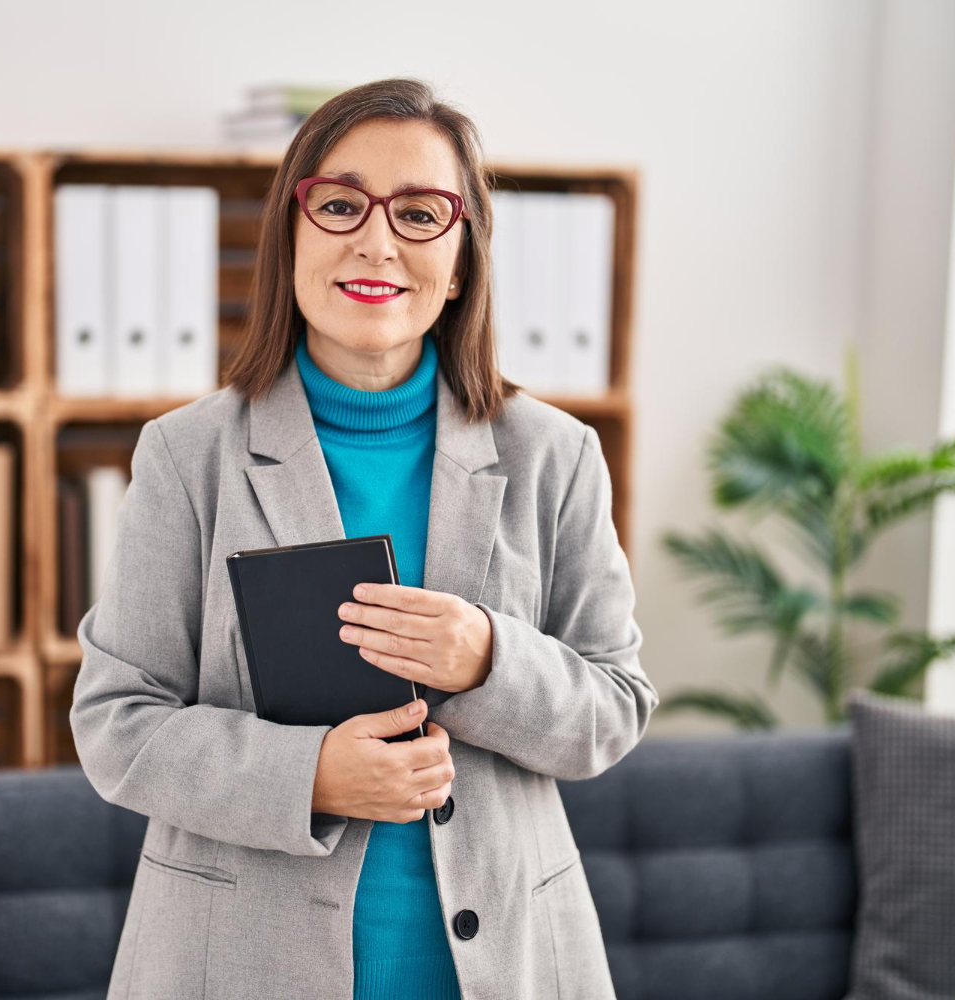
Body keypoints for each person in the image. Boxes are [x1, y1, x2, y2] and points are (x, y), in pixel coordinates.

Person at [69, 76, 659, 1000]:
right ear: (293, 236)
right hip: (240, 964)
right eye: (340, 204)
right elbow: (117, 724)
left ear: (461, 259)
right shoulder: (188, 456)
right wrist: (308, 775)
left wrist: (487, 659)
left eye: (421, 213)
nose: (375, 240)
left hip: (504, 965)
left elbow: (614, 710)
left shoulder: (556, 455)